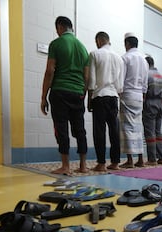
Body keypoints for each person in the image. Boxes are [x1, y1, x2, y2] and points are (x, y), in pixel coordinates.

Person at [40, 16, 89, 175]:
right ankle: (83, 165)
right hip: (78, 92)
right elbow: (87, 76)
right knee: (80, 129)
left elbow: (50, 71)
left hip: (60, 90)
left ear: (59, 27)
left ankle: (66, 166)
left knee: (61, 128)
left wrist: (43, 97)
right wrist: (83, 92)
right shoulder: (83, 48)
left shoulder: (56, 43)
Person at [88, 31, 124, 172]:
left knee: (99, 131)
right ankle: (115, 162)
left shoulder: (94, 54)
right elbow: (120, 85)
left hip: (99, 96)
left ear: (98, 40)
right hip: (114, 96)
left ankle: (101, 163)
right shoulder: (119, 58)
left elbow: (91, 80)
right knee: (114, 130)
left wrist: (89, 99)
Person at [119, 32, 149, 168]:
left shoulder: (125, 58)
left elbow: (121, 79)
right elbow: (145, 82)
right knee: (138, 128)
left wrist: (119, 93)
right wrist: (143, 94)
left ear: (127, 44)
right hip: (139, 96)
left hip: (128, 94)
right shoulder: (144, 60)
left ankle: (130, 160)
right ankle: (141, 159)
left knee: (127, 128)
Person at [143, 56, 162, 165]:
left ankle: (152, 159)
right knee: (158, 131)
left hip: (150, 102)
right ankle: (161, 157)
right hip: (160, 104)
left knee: (150, 132)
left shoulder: (147, 75)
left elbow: (144, 90)